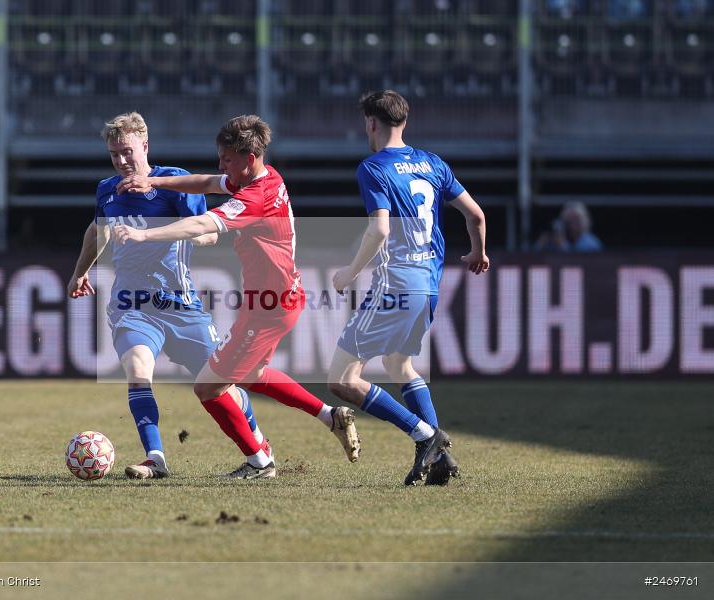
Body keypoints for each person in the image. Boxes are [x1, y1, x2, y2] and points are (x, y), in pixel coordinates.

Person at [114, 115, 361, 479]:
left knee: (209, 386)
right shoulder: (266, 176)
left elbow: (203, 223)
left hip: (269, 307)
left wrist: (144, 236)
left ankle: (260, 462)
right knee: (253, 374)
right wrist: (153, 181)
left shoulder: (255, 197)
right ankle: (329, 415)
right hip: (275, 299)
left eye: (227, 159)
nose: (221, 166)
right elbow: (208, 183)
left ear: (249, 157)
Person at [67, 111, 265, 480]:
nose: (122, 160)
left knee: (221, 386)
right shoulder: (107, 189)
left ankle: (258, 447)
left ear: (145, 145)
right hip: (133, 306)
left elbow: (207, 234)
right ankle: (155, 457)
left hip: (182, 306)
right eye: (114, 155)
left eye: (127, 151)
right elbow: (98, 232)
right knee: (138, 370)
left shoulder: (174, 181)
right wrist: (81, 272)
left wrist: (157, 233)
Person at [328, 90, 490, 486]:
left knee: (342, 379)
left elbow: (380, 228)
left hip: (395, 285)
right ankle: (441, 460)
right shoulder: (432, 163)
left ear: (371, 123)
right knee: (399, 365)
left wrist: (349, 274)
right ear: (405, 121)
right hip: (428, 285)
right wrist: (477, 254)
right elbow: (476, 215)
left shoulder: (373, 167)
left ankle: (426, 436)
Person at [533, 201, 603, 253]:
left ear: (584, 221)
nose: (572, 224)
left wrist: (563, 246)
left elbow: (576, 262)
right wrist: (541, 243)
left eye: (576, 219)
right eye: (568, 220)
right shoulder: (553, 240)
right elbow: (533, 256)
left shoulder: (591, 243)